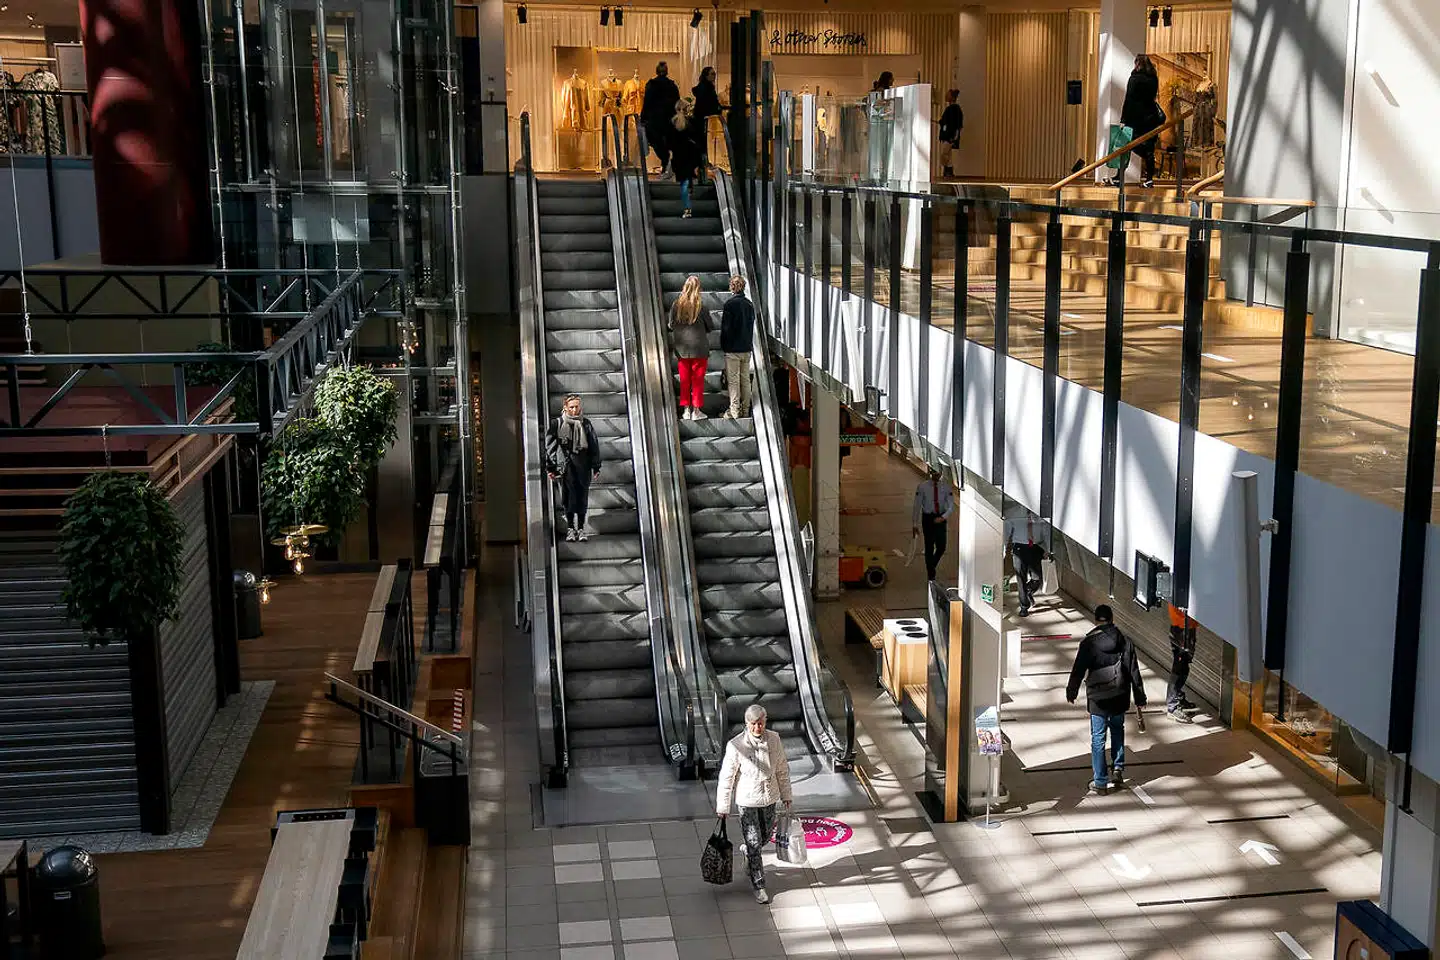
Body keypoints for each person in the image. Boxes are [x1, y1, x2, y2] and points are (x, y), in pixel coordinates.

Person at [716, 704, 794, 904]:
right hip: (747, 800)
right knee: (753, 842)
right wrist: (723, 807)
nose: (757, 728)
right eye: (753, 724)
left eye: (760, 723)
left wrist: (786, 795)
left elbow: (782, 769)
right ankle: (759, 884)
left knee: (766, 836)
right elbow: (727, 777)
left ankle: (748, 854)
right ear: (746, 723)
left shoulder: (774, 739)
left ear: (765, 721)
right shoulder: (736, 745)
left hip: (769, 797)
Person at [1066, 605, 1147, 793]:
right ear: (1112, 619)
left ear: (1096, 620)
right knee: (1118, 730)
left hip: (1098, 699)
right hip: (1119, 695)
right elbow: (1133, 672)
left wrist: (1072, 691)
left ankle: (1100, 781)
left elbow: (1078, 669)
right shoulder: (1125, 641)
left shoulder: (1089, 643)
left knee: (1098, 738)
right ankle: (1118, 770)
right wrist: (1140, 697)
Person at [545, 394, 602, 542]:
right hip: (565, 466)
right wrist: (551, 467)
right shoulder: (557, 424)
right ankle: (571, 528)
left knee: (582, 496)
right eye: (571, 407)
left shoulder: (586, 424)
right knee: (568, 497)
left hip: (583, 465)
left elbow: (593, 445)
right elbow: (550, 447)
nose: (575, 409)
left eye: (577, 406)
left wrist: (596, 466)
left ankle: (581, 528)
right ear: (565, 407)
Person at [669, 274, 709, 419]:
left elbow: (671, 325)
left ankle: (686, 410)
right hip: (700, 349)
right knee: (697, 381)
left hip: (682, 350)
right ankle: (696, 411)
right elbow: (710, 326)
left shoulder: (676, 305)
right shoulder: (701, 307)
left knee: (685, 380)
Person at [1119, 53, 1161, 187]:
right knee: (1149, 148)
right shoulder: (1153, 79)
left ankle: (1118, 176)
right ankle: (1149, 179)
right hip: (1151, 118)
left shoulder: (1135, 78)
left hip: (1135, 118)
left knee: (1126, 145)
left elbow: (1129, 99)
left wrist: (1123, 119)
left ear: (1137, 64)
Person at [720, 274, 756, 418]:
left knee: (733, 381)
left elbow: (726, 328)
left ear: (732, 287)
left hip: (732, 349)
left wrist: (724, 345)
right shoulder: (749, 304)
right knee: (745, 380)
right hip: (746, 347)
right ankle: (746, 408)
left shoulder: (729, 305)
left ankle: (734, 410)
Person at [911, 466, 954, 581]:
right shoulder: (922, 487)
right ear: (930, 472)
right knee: (929, 547)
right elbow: (917, 506)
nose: (936, 475)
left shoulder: (945, 487)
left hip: (940, 518)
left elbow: (951, 506)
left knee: (941, 546)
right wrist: (915, 524)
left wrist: (943, 517)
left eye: (938, 473)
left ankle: (931, 567)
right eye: (934, 473)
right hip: (928, 519)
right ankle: (931, 575)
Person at [641, 61, 680, 178]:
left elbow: (647, 102)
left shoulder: (652, 84)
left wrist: (643, 118)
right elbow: (676, 101)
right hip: (668, 118)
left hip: (655, 119)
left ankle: (665, 162)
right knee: (667, 141)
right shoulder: (672, 85)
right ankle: (667, 164)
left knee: (656, 142)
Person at [670, 98, 704, 218]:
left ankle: (687, 208)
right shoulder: (691, 122)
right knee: (688, 180)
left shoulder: (674, 122)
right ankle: (688, 202)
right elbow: (697, 137)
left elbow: (671, 141)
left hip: (679, 155)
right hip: (690, 153)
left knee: (683, 182)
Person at [1167, 603, 1199, 722]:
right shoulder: (1179, 593)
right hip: (1182, 630)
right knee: (1179, 668)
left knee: (1184, 667)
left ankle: (1178, 697)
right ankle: (1172, 706)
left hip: (1186, 628)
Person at [692, 66, 722, 177]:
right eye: (712, 74)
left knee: (703, 142)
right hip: (703, 120)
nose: (714, 76)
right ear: (706, 76)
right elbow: (708, 105)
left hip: (703, 119)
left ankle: (702, 164)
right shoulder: (706, 89)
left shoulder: (706, 88)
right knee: (702, 142)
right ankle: (701, 165)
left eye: (714, 74)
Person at [1009, 523, 1045, 616]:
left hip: (1037, 547)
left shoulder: (1039, 513)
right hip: (1019, 547)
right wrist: (1004, 547)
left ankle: (1028, 590)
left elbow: (1046, 530)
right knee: (1021, 579)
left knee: (1037, 578)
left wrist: (1048, 548)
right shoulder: (1016, 513)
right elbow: (1007, 529)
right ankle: (1024, 607)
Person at [938, 89, 963, 178]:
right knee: (947, 154)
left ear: (952, 97)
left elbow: (957, 125)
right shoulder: (950, 109)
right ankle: (948, 172)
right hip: (947, 136)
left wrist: (955, 136)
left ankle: (948, 171)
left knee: (945, 154)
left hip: (949, 136)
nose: (945, 96)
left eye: (947, 95)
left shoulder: (955, 109)